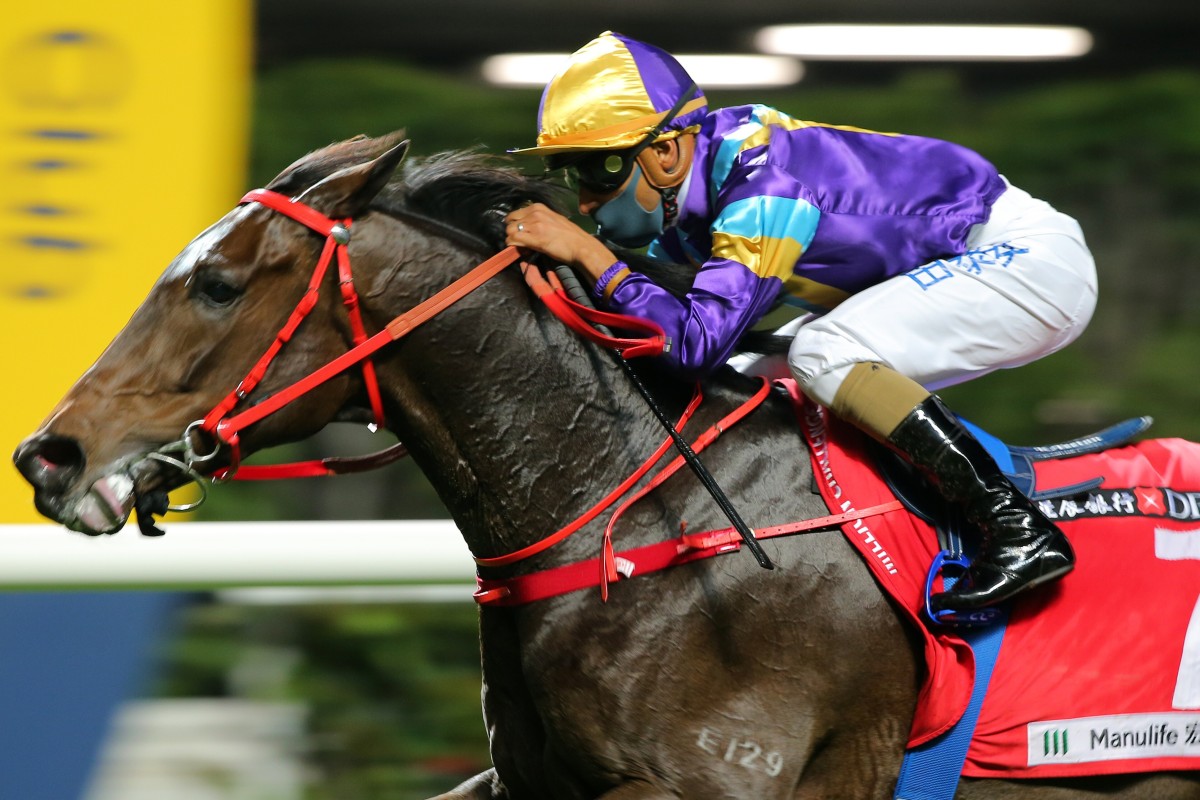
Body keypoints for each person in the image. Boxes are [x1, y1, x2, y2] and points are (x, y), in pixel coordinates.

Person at [503, 31, 1097, 618]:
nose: (583, 201)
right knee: (742, 379)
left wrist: (592, 256)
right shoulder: (700, 180)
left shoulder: (765, 189)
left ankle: (1016, 527)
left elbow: (692, 344)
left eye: (600, 171)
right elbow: (689, 336)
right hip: (968, 259)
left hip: (1028, 263)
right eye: (570, 175)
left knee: (821, 350)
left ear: (666, 153)